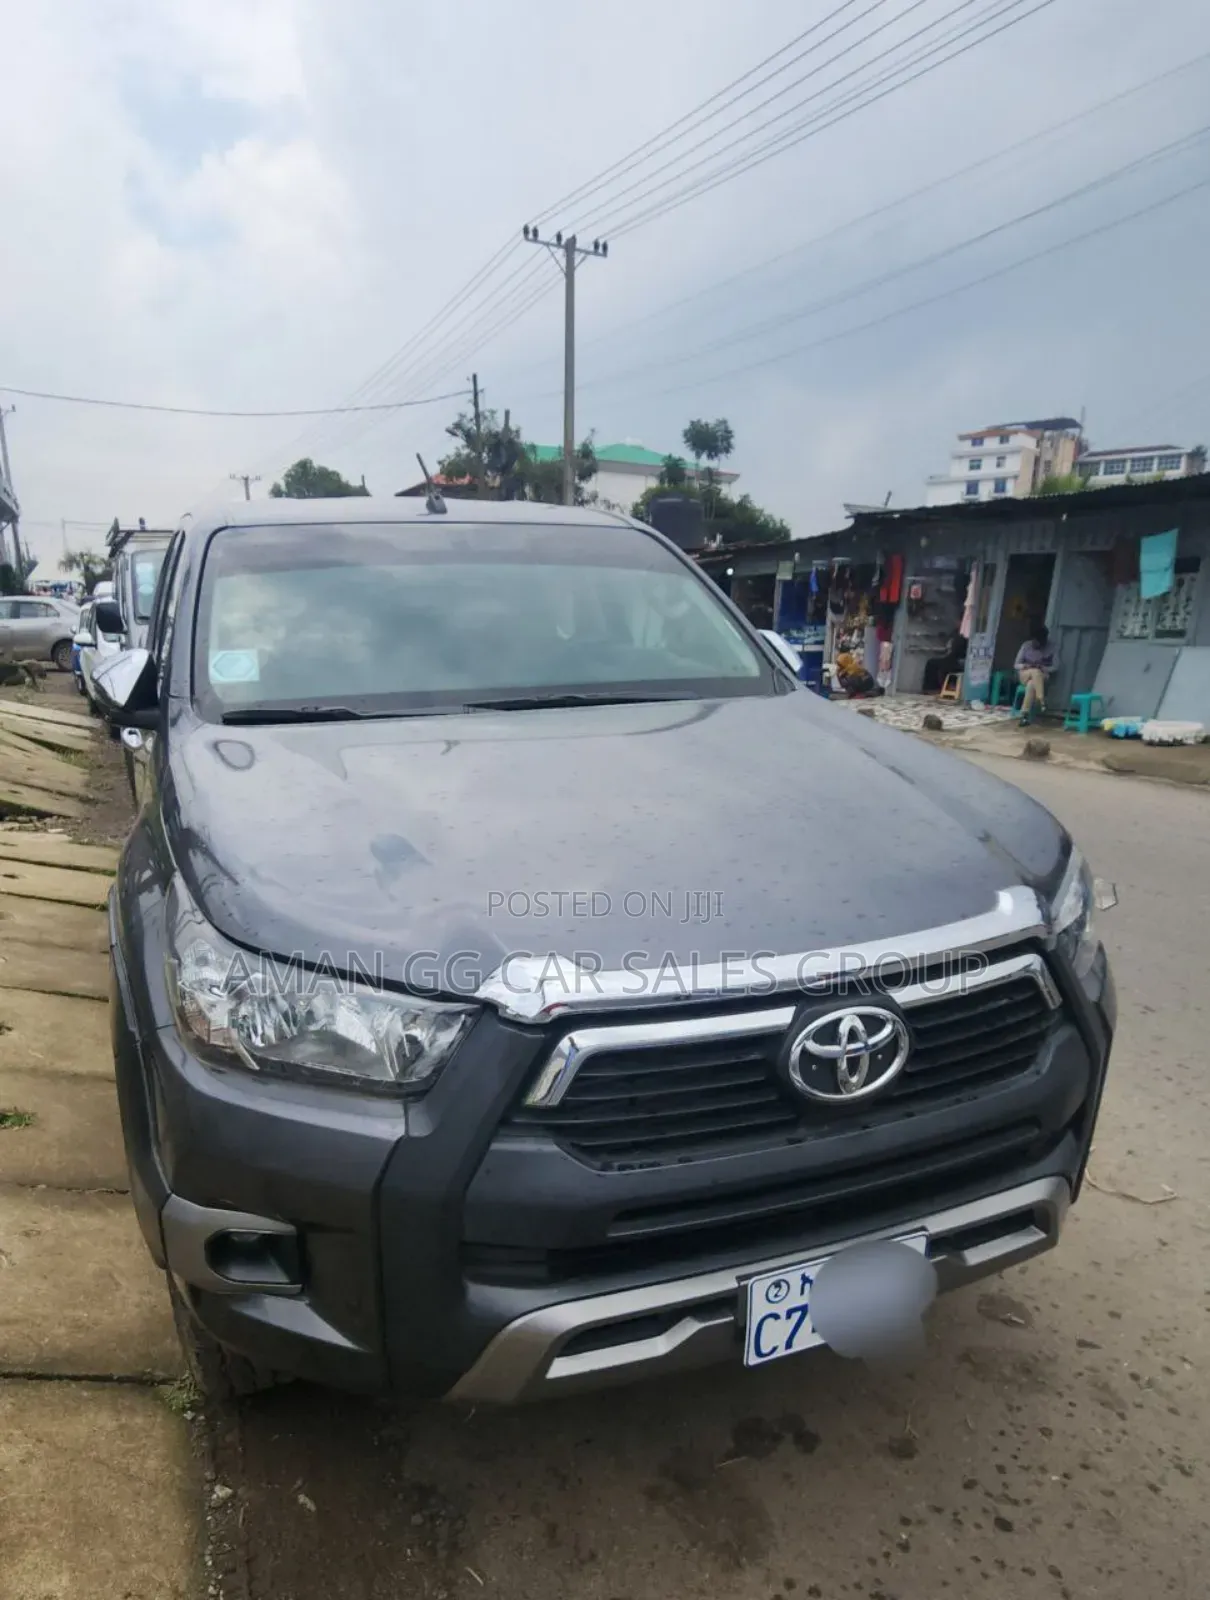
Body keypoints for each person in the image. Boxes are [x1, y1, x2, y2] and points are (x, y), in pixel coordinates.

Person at [1014, 623, 1057, 725]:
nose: (1036, 644)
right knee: (1034, 671)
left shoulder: (1051, 647)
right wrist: (1026, 666)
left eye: (1039, 642)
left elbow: (1055, 667)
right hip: (1025, 674)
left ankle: (1024, 715)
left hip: (1042, 676)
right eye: (1035, 641)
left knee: (1031, 684)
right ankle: (1041, 700)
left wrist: (1043, 667)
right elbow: (1016, 664)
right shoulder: (1026, 646)